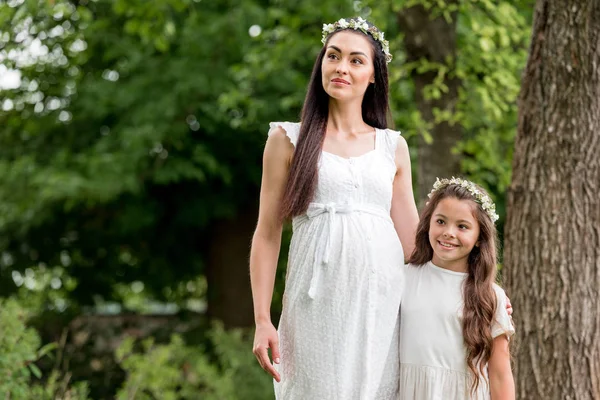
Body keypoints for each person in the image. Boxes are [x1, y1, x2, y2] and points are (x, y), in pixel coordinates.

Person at [249, 17, 419, 399]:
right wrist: (262, 319)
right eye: (334, 56)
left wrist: (476, 284)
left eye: (356, 60)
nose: (342, 67)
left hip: (380, 302)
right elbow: (267, 233)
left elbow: (414, 245)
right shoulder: (287, 140)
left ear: (374, 75)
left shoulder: (392, 147)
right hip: (315, 303)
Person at [399, 177, 515, 399]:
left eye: (462, 226)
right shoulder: (403, 278)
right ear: (428, 223)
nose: (448, 232)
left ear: (480, 238)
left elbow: (500, 374)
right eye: (441, 221)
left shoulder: (490, 296)